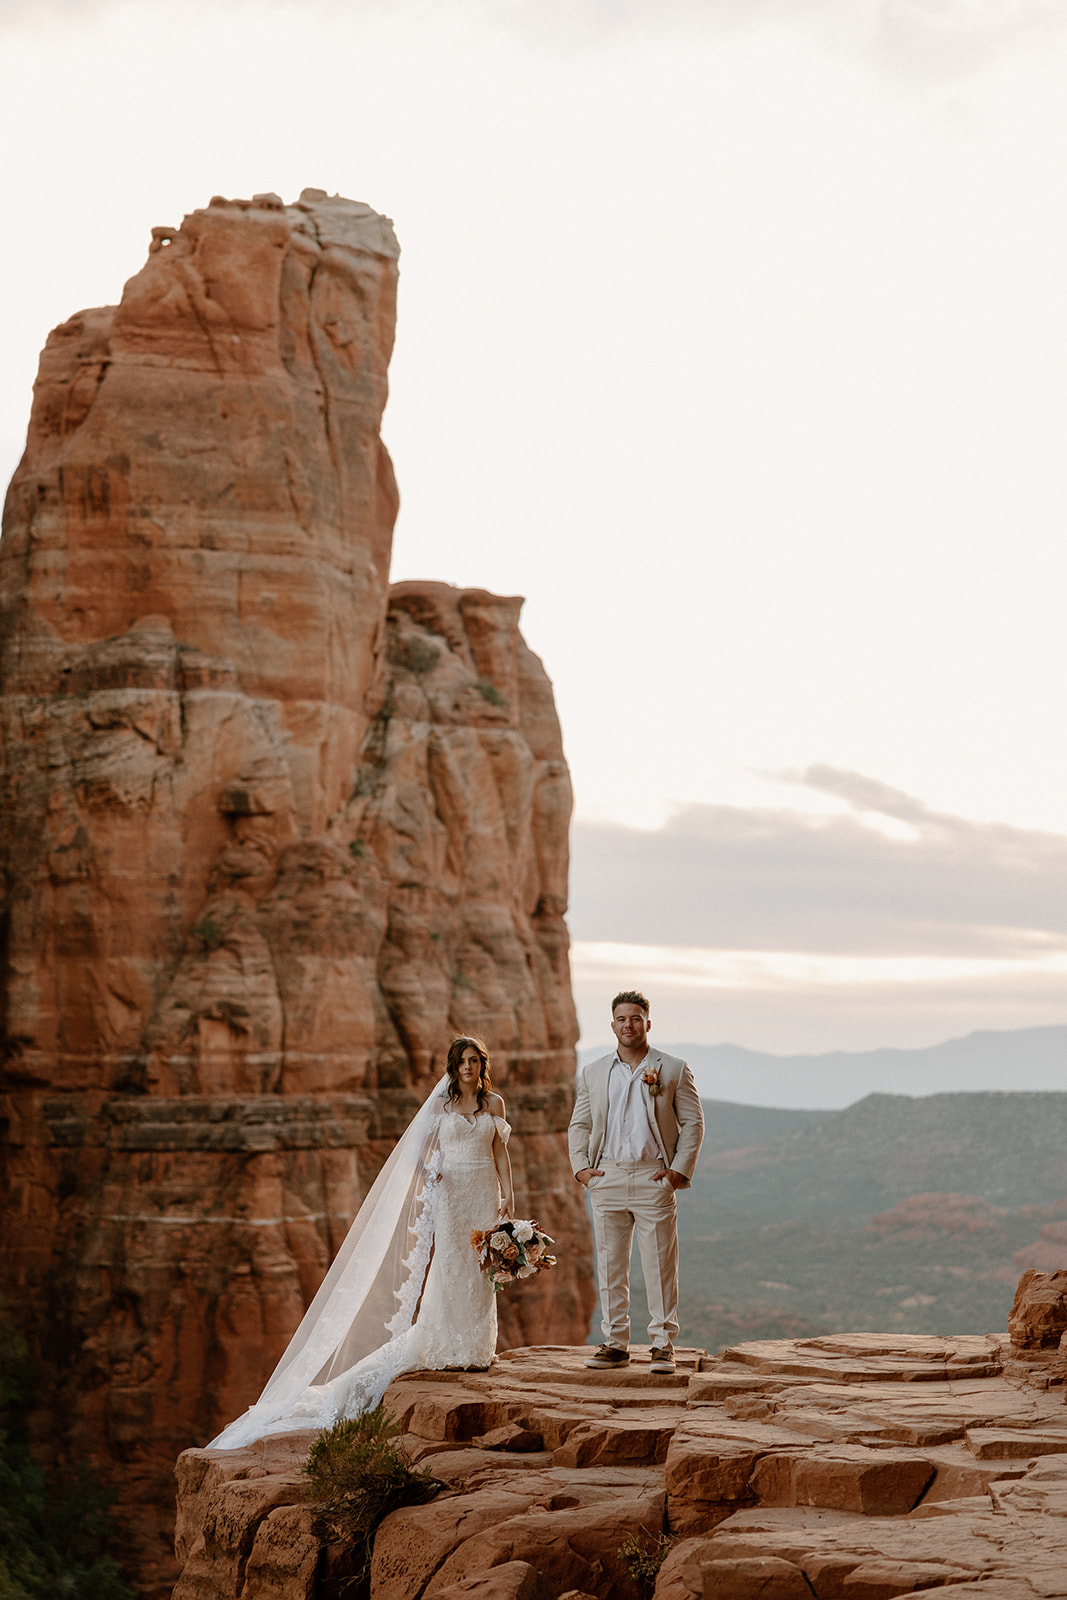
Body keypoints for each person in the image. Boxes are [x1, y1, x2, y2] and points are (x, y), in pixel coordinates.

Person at [209, 1036, 514, 1449]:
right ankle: (446, 1344)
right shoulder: (441, 1106)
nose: (468, 1067)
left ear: (482, 1064)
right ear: (452, 1065)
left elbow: (500, 1153)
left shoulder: (493, 1104)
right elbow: (419, 1152)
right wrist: (435, 1174)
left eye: (474, 1061)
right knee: (450, 1265)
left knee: (480, 1268)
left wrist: (507, 1195)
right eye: (462, 1061)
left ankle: (476, 1348)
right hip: (452, 1196)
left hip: (483, 1192)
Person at [569, 990, 704, 1376]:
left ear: (647, 1022)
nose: (629, 1025)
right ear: (613, 1025)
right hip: (607, 1176)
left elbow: (693, 1123)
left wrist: (679, 1171)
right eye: (622, 1019)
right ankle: (615, 1345)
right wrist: (582, 1168)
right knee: (610, 1265)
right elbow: (580, 1123)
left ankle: (663, 1346)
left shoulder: (673, 1068)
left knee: (660, 1264)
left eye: (636, 1018)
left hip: (653, 1175)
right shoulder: (594, 1071)